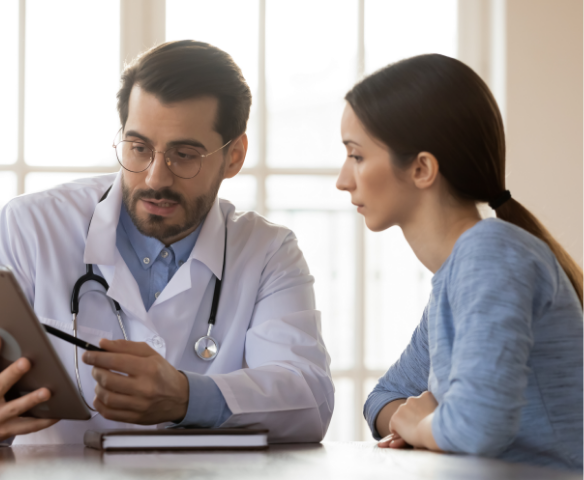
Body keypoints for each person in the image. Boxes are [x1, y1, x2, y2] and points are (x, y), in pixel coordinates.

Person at [0, 40, 333, 445]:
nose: (156, 178)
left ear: (234, 156)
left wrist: (185, 397)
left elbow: (309, 401)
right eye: (139, 149)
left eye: (185, 154)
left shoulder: (267, 253)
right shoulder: (30, 227)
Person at [336, 54, 584, 470]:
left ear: (421, 168)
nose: (343, 180)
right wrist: (425, 419)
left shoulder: (490, 254)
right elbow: (382, 399)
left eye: (357, 156)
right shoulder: (455, 280)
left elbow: (477, 427)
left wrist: (425, 424)